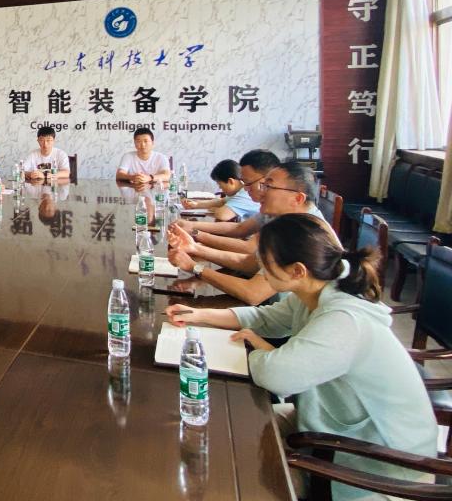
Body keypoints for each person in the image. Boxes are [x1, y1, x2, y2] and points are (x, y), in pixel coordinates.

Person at [166, 214, 437, 500]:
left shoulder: (344, 320)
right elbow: (265, 317)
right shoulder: (317, 290)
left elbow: (275, 376)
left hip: (380, 465)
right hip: (331, 426)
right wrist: (199, 315)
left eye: (266, 263)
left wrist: (263, 349)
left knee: (242, 469)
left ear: (297, 270)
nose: (260, 269)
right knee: (222, 427)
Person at [168, 160, 329, 306]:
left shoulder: (305, 233)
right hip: (272, 311)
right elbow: (251, 263)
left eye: (268, 186)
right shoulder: (286, 218)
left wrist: (195, 267)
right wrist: (195, 248)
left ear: (298, 198)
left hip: (279, 319)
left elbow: (253, 293)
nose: (260, 192)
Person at [173, 149, 280, 249]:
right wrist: (192, 226)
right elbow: (240, 228)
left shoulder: (281, 213)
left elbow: (248, 249)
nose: (245, 189)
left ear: (267, 182)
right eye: (244, 182)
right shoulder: (267, 209)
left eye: (248, 183)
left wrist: (195, 234)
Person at [182, 159, 260, 222]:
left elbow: (222, 215)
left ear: (230, 181)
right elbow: (221, 201)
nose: (220, 188)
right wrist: (196, 204)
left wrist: (214, 210)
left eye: (220, 185)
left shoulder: (244, 195)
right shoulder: (240, 190)